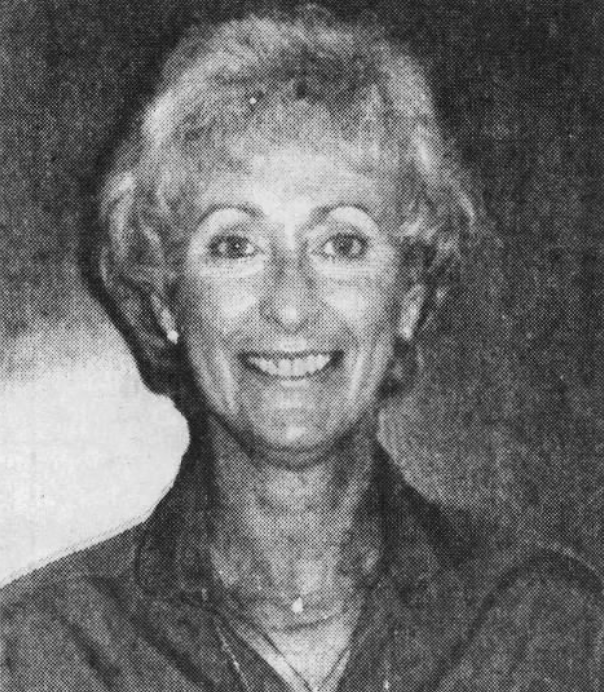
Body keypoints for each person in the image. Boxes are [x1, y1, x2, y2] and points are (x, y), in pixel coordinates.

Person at [1, 6, 602, 691]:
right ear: (167, 301)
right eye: (236, 245)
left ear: (407, 298)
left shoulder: (552, 630)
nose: (289, 305)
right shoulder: (39, 653)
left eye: (341, 244)